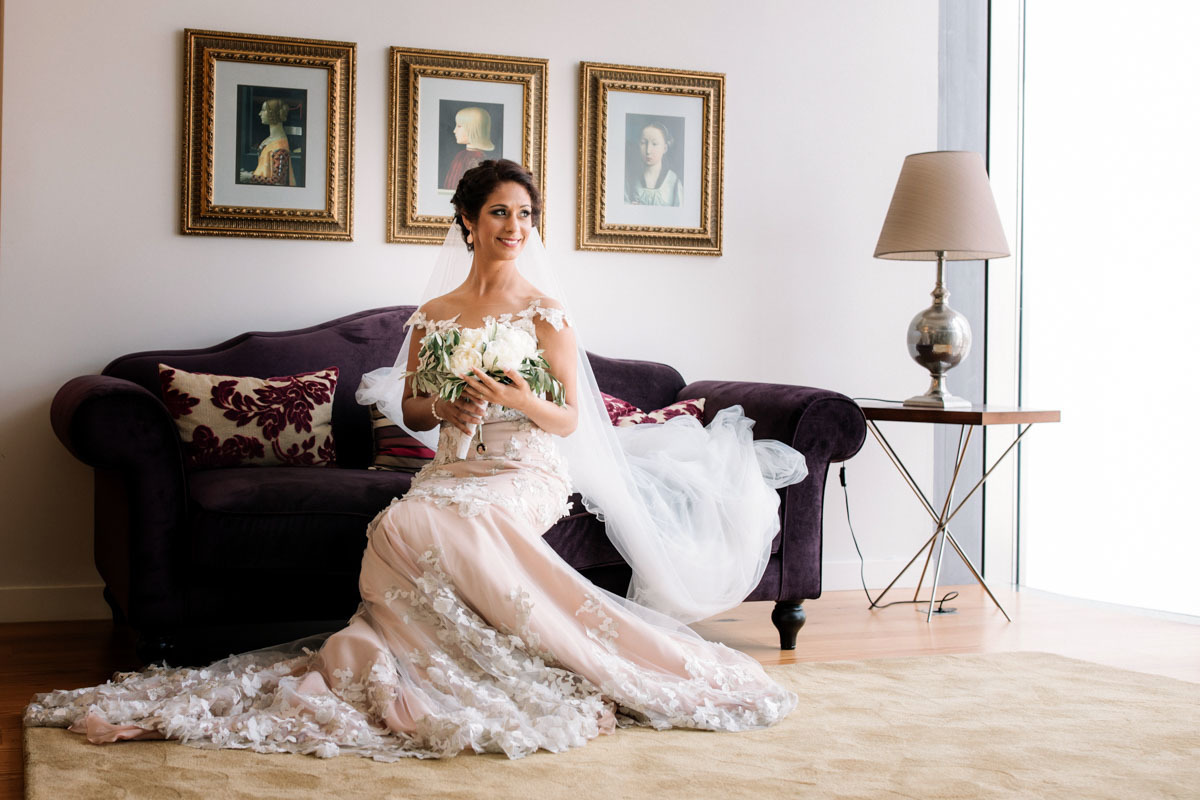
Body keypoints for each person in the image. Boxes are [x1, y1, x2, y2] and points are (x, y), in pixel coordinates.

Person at [26, 160, 805, 760]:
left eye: (525, 214)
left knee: (461, 524)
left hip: (526, 470)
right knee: (402, 523)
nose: (514, 226)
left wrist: (515, 397)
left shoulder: (547, 313)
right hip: (455, 465)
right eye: (499, 212)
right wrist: (451, 408)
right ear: (467, 221)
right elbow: (418, 408)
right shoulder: (436, 315)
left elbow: (571, 417)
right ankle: (416, 655)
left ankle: (576, 657)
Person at [624, 120, 682, 206]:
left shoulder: (674, 182)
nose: (648, 151)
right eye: (643, 143)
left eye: (654, 144)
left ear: (665, 148)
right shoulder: (630, 180)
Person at [239, 98, 296, 186]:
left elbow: (279, 182)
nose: (259, 114)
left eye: (263, 110)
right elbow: (265, 171)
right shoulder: (270, 140)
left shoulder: (280, 146)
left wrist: (249, 177)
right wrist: (249, 174)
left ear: (272, 113)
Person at [442, 107, 495, 190]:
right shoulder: (461, 155)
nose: (454, 130)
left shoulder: (477, 158)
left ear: (473, 129)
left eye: (459, 126)